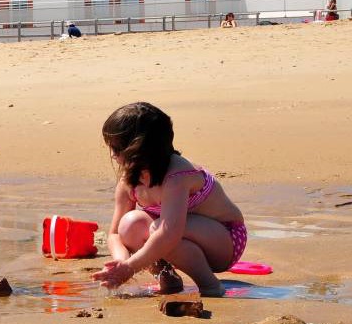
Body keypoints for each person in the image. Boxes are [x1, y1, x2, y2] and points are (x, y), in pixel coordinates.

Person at [92, 102, 246, 297]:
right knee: (130, 224)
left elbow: (169, 233)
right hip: (179, 233)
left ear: (141, 149)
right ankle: (167, 278)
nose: (113, 155)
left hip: (225, 240)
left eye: (117, 148)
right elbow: (114, 234)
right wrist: (120, 263)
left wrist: (131, 267)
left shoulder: (177, 175)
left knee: (159, 229)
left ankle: (209, 285)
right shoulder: (129, 180)